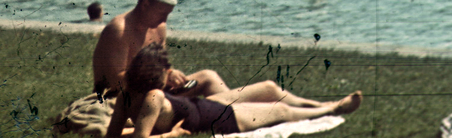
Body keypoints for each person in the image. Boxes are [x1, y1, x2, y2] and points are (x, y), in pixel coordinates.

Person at [105, 41, 360, 137]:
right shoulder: (154, 96)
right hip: (219, 117)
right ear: (155, 73)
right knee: (280, 109)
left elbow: (112, 136)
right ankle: (334, 108)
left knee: (270, 87)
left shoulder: (129, 94)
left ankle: (320, 104)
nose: (169, 73)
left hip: (204, 107)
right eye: (166, 70)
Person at [93, 0, 231, 100]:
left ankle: (237, 111)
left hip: (153, 91)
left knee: (209, 77)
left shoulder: (159, 28)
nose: (164, 20)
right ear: (145, 5)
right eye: (161, 14)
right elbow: (116, 81)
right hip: (121, 98)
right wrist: (162, 78)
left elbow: (161, 64)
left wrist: (170, 73)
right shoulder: (119, 29)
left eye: (167, 15)